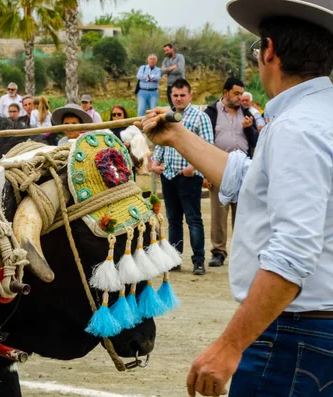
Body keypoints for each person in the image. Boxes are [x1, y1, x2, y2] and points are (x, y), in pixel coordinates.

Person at [140, 2, 333, 395]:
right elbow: (250, 181)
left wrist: (229, 345)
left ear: (270, 51)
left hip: (295, 335)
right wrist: (177, 135)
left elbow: (293, 251)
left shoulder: (296, 128)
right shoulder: (316, 116)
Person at [150, 78, 214, 275]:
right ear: (171, 96)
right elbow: (161, 142)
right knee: (173, 219)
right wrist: (155, 163)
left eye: (182, 95)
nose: (178, 99)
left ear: (190, 96)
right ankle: (175, 260)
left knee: (193, 219)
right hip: (168, 174)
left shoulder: (199, 117)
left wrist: (192, 167)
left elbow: (207, 146)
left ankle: (198, 261)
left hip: (188, 176)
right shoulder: (167, 117)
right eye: (175, 95)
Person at [204, 77, 258, 268]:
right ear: (225, 92)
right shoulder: (211, 112)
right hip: (219, 166)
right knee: (219, 213)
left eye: (241, 93)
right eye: (236, 93)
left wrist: (248, 128)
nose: (239, 97)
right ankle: (218, 252)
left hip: (243, 168)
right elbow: (204, 142)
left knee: (242, 213)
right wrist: (206, 171)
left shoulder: (247, 113)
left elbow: (254, 142)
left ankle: (241, 252)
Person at [160, 43, 186, 108]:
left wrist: (167, 71)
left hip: (180, 84)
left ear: (172, 49)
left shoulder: (180, 57)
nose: (166, 52)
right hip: (170, 85)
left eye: (167, 50)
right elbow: (161, 71)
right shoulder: (165, 60)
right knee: (172, 105)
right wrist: (171, 68)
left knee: (180, 104)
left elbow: (180, 70)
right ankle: (174, 117)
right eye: (165, 51)